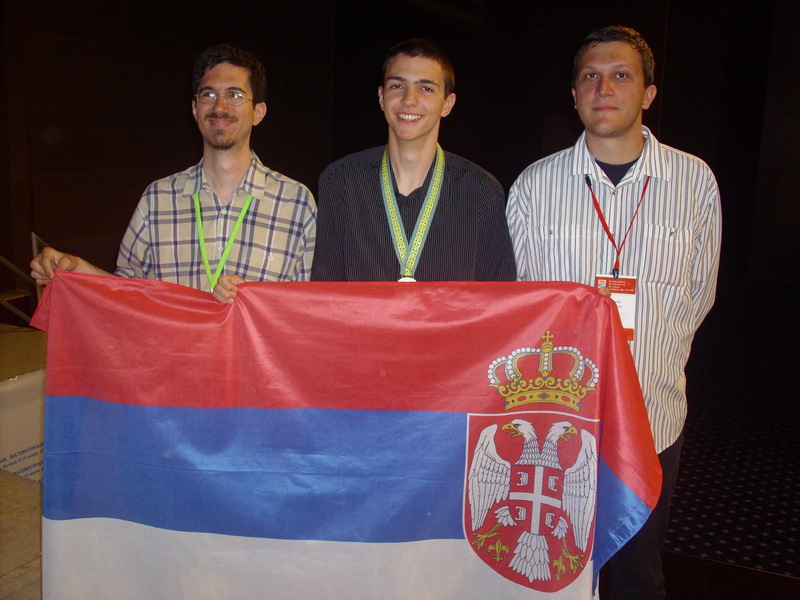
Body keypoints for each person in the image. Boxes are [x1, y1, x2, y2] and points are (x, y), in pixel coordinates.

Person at [505, 26, 721, 600]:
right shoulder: (533, 187)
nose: (604, 88)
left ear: (648, 93)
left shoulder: (694, 183)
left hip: (651, 418)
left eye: (621, 75)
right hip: (557, 426)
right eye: (590, 76)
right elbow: (518, 308)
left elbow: (699, 296)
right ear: (574, 94)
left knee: (637, 578)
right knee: (551, 573)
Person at [30, 44, 316, 303]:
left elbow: (305, 310)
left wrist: (254, 300)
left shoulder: (295, 203)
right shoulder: (157, 199)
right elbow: (125, 295)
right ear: (195, 109)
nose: (220, 106)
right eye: (208, 94)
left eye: (235, 95)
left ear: (258, 112)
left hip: (251, 349)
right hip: (172, 348)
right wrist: (76, 269)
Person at [310, 39, 515, 282]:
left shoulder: (481, 190)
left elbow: (495, 297)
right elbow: (326, 292)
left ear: (447, 104)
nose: (409, 99)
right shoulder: (341, 181)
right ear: (381, 97)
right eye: (397, 86)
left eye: (426, 88)